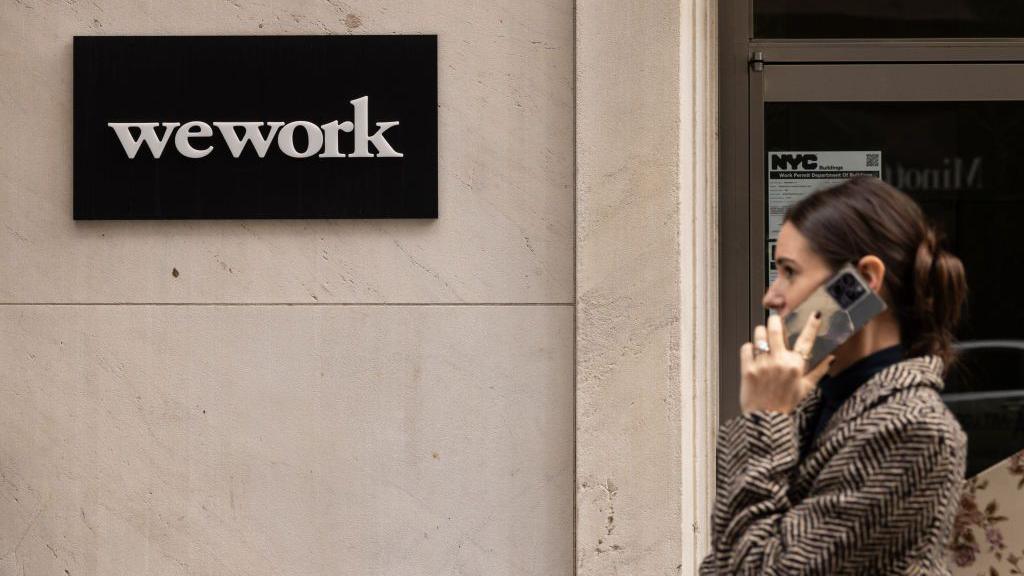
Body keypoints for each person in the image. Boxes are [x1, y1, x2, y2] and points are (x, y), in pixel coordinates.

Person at [700, 175, 968, 575]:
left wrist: (766, 418)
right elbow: (726, 560)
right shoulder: (813, 401)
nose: (771, 297)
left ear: (861, 282)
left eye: (790, 272)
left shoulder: (916, 428)